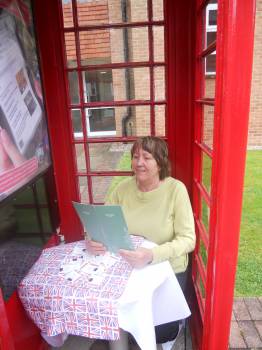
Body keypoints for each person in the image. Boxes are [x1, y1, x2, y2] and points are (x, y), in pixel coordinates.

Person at [87, 136, 196, 350]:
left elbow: (188, 239)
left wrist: (150, 255)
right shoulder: (122, 189)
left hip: (165, 267)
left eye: (147, 157)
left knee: (160, 332)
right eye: (135, 157)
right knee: (112, 314)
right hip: (128, 265)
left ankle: (159, 331)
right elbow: (101, 224)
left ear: (160, 163)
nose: (139, 163)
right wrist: (92, 239)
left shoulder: (176, 190)